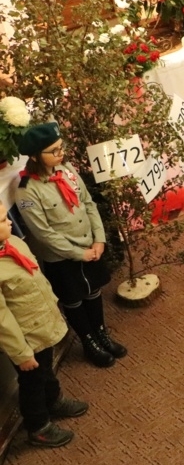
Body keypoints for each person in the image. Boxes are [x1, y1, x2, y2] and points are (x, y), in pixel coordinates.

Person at [14, 123, 127, 368]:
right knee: (73, 298)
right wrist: (79, 253)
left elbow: (88, 203)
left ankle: (101, 333)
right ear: (35, 156)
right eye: (53, 151)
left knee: (93, 290)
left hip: (89, 245)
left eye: (61, 147)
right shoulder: (26, 191)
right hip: (62, 257)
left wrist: (99, 239)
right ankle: (88, 341)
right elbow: (43, 233)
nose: (61, 153)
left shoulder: (67, 169)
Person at [0, 201, 90, 448]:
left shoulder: (13, 243)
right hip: (25, 338)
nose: (10, 222)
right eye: (3, 221)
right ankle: (38, 426)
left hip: (42, 323)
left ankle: (53, 400)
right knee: (32, 380)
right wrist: (21, 353)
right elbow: (2, 321)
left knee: (45, 368)